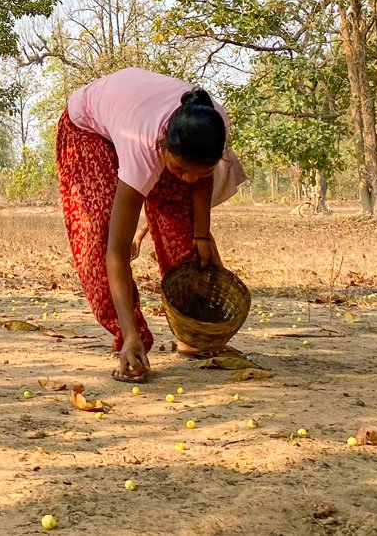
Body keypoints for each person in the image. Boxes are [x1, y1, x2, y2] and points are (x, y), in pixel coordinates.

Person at [58, 67, 247, 382]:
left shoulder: (212, 122)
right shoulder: (142, 149)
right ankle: (131, 340)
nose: (188, 179)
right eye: (180, 169)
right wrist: (130, 332)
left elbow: (201, 177)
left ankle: (195, 335)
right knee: (97, 238)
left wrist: (201, 234)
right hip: (86, 129)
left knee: (183, 234)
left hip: (142, 118)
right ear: (163, 146)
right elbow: (116, 252)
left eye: (198, 171)